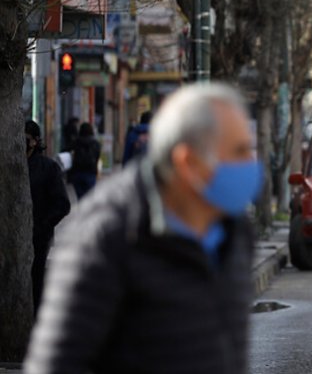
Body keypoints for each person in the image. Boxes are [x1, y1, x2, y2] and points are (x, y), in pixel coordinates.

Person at [25, 83, 262, 374]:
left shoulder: (235, 230)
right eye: (237, 152)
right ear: (188, 160)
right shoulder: (105, 234)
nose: (250, 164)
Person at [25, 120, 71, 315]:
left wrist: (42, 226)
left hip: (38, 238)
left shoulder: (48, 168)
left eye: (25, 138)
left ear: (34, 141)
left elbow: (62, 204)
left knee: (35, 282)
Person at [69, 122, 101, 199]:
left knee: (80, 198)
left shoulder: (76, 142)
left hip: (77, 173)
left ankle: (81, 210)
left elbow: (66, 152)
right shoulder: (96, 143)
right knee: (89, 198)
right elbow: (97, 157)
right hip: (90, 173)